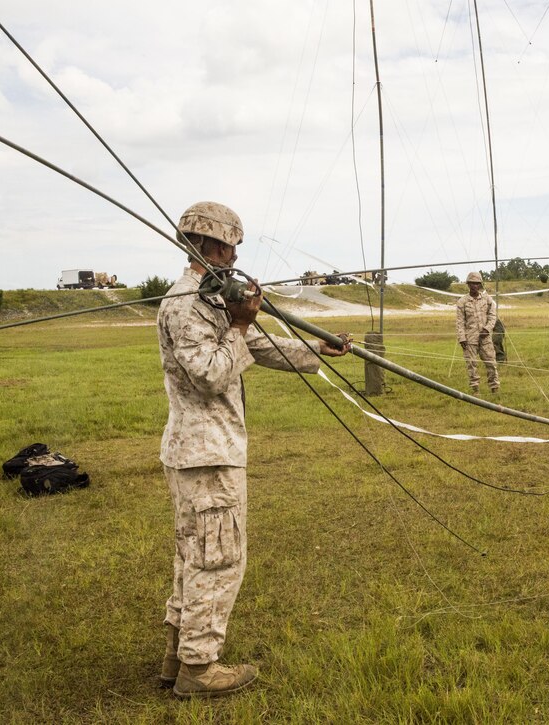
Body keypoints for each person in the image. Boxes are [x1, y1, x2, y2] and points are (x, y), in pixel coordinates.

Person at [156, 201, 350, 699]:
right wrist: (240, 323)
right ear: (203, 245)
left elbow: (256, 349)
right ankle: (199, 668)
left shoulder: (213, 297)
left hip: (207, 450)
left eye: (235, 244)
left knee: (194, 553)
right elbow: (211, 373)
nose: (234, 252)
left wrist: (317, 349)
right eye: (226, 244)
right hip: (206, 452)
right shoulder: (186, 304)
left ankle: (177, 657)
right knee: (217, 558)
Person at [455, 271, 499, 393]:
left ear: (480, 285)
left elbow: (492, 316)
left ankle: (494, 388)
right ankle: (475, 390)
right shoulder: (462, 302)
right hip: (470, 339)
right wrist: (462, 338)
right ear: (468, 284)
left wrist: (487, 329)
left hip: (485, 338)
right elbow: (460, 322)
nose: (474, 286)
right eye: (472, 283)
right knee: (471, 365)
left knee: (491, 363)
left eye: (477, 283)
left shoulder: (487, 299)